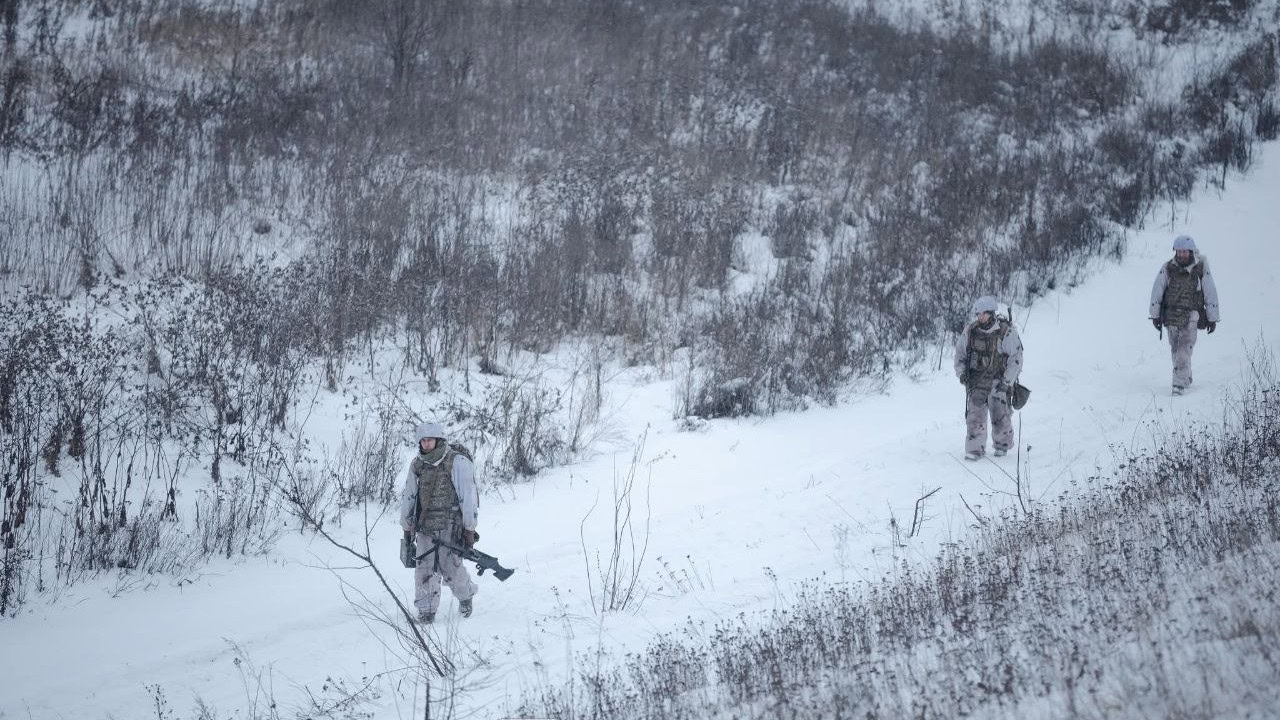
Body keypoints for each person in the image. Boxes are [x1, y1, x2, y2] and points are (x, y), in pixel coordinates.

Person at [398, 421, 479, 623]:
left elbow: (468, 498)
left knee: (450, 568)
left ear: (439, 440)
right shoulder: (417, 465)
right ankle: (426, 611)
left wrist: (469, 529)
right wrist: (407, 527)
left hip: (450, 525)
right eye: (423, 441)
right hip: (425, 527)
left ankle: (466, 596)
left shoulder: (456, 462)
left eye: (430, 440)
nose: (426, 444)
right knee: (424, 569)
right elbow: (409, 495)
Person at [954, 296, 1024, 461]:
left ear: (991, 313)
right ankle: (974, 449)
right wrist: (962, 373)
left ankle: (1002, 446)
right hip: (976, 381)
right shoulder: (970, 331)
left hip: (998, 381)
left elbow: (1016, 358)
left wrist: (1007, 381)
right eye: (978, 314)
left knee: (1000, 415)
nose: (980, 317)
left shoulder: (1005, 332)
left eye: (984, 314)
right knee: (975, 416)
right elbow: (960, 354)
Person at [1149, 235, 1220, 396]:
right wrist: (1155, 315)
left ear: (1191, 251)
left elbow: (1210, 291)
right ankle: (1185, 377)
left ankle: (1178, 385)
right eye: (1179, 251)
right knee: (1175, 350)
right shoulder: (1168, 268)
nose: (1181, 254)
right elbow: (1157, 290)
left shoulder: (1200, 267)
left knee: (1184, 350)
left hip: (1191, 316)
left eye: (1184, 251)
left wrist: (1212, 317)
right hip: (1171, 316)